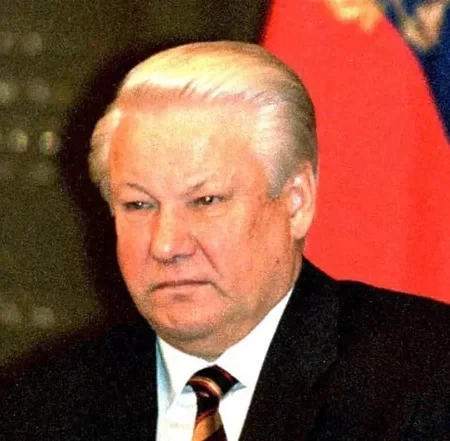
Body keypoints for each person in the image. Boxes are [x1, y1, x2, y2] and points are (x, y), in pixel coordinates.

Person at [1, 41, 449, 441]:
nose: (166, 245)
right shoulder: (38, 407)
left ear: (296, 202)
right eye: (139, 205)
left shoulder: (425, 378)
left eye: (205, 201)